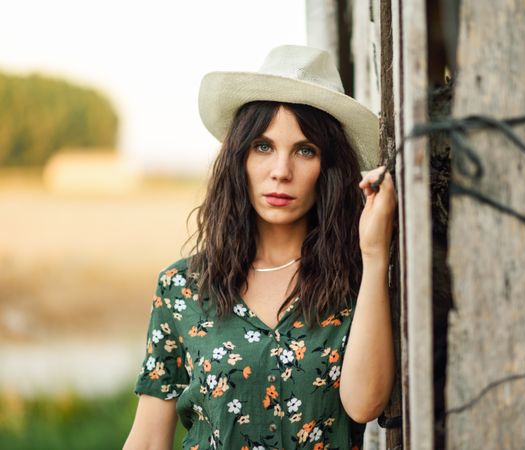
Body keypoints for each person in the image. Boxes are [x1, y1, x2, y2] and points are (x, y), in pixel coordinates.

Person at [123, 45, 396, 450]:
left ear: (329, 169)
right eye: (263, 147)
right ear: (240, 159)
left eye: (305, 151)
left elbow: (364, 404)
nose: (281, 172)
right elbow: (147, 440)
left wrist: (374, 258)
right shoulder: (182, 287)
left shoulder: (355, 281)